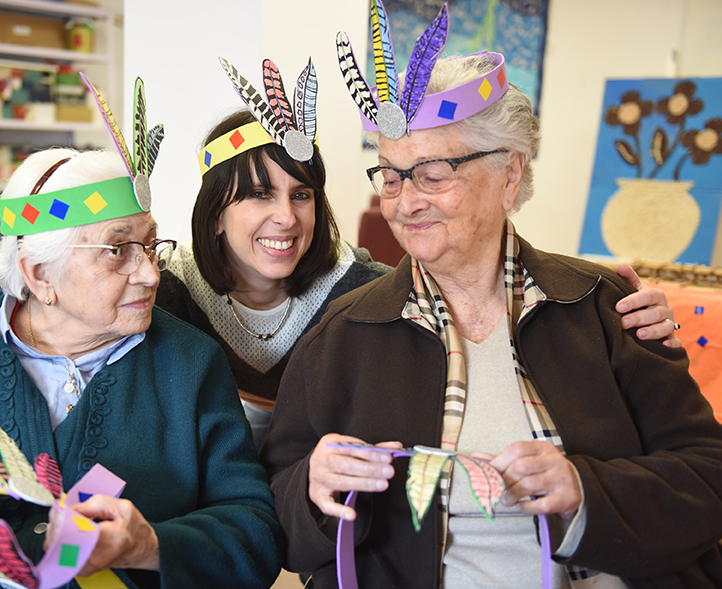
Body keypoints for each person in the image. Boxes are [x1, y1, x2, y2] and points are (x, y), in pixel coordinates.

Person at [0, 114, 680, 452]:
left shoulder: (367, 298)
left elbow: (472, 284)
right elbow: (32, 299)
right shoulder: (163, 294)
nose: (284, 216)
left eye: (300, 192)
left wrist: (607, 309)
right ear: (214, 213)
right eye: (254, 192)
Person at [260, 9, 722, 588]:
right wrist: (314, 487)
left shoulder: (605, 307)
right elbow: (278, 504)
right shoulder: (345, 332)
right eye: (392, 176)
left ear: (509, 174)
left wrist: (586, 492)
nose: (403, 202)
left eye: (432, 173)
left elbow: (707, 477)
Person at [0, 146, 282, 588]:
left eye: (149, 245)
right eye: (117, 249)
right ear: (39, 275)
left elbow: (254, 530)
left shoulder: (191, 362)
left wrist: (151, 546)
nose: (149, 274)